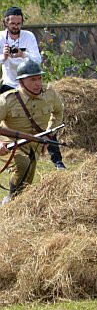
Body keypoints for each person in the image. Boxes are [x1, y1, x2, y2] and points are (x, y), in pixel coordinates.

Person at [0, 6, 65, 170]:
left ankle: (56, 159)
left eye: (19, 23)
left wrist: (23, 55)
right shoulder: (0, 38)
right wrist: (4, 56)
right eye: (13, 23)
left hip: (30, 85)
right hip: (10, 84)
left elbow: (37, 60)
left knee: (46, 116)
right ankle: (10, 154)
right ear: (6, 23)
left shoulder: (28, 36)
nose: (16, 26)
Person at [0, 60, 64, 204]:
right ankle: (9, 202)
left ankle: (17, 206)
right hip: (9, 143)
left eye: (39, 78)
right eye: (33, 79)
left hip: (34, 145)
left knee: (27, 180)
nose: (38, 83)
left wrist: (49, 132)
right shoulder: (7, 100)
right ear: (21, 82)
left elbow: (59, 112)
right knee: (22, 164)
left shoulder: (50, 95)